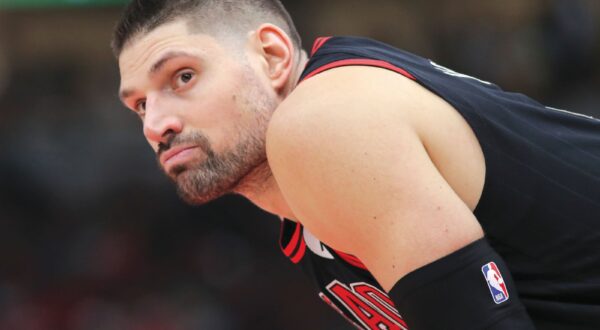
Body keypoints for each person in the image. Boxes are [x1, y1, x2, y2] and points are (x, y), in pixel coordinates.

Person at [112, 1, 600, 329]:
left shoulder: (324, 120)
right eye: (138, 106)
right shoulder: (305, 192)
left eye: (183, 77)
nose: (156, 124)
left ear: (272, 55)